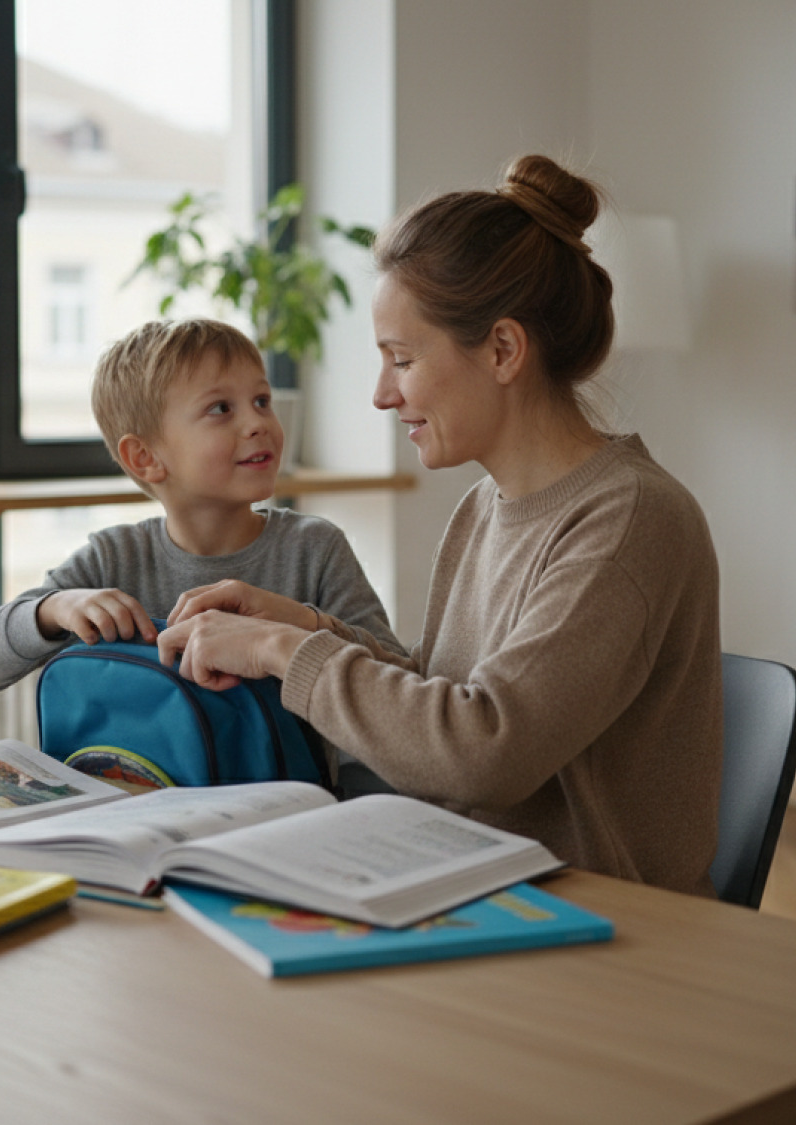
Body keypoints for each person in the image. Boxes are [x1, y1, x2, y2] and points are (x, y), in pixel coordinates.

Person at [156, 156, 724, 896]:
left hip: (595, 925)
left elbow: (484, 748)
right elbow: (442, 690)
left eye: (402, 359)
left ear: (502, 350)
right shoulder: (486, 504)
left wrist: (278, 647)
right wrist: (303, 623)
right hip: (470, 883)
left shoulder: (629, 521)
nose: (382, 395)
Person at [0, 318, 405, 703]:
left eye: (261, 401)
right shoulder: (113, 559)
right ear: (145, 458)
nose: (258, 424)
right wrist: (54, 608)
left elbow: (395, 674)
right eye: (221, 408)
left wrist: (303, 624)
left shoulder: (314, 549)